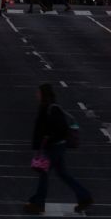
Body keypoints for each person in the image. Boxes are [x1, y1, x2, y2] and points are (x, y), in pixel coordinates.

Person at [26, 83, 92, 215]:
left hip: (54, 147)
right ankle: (84, 197)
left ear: (44, 94)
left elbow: (61, 130)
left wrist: (48, 139)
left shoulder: (51, 109)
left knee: (44, 173)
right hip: (55, 146)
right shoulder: (46, 107)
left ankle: (38, 204)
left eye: (39, 93)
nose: (36, 95)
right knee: (63, 173)